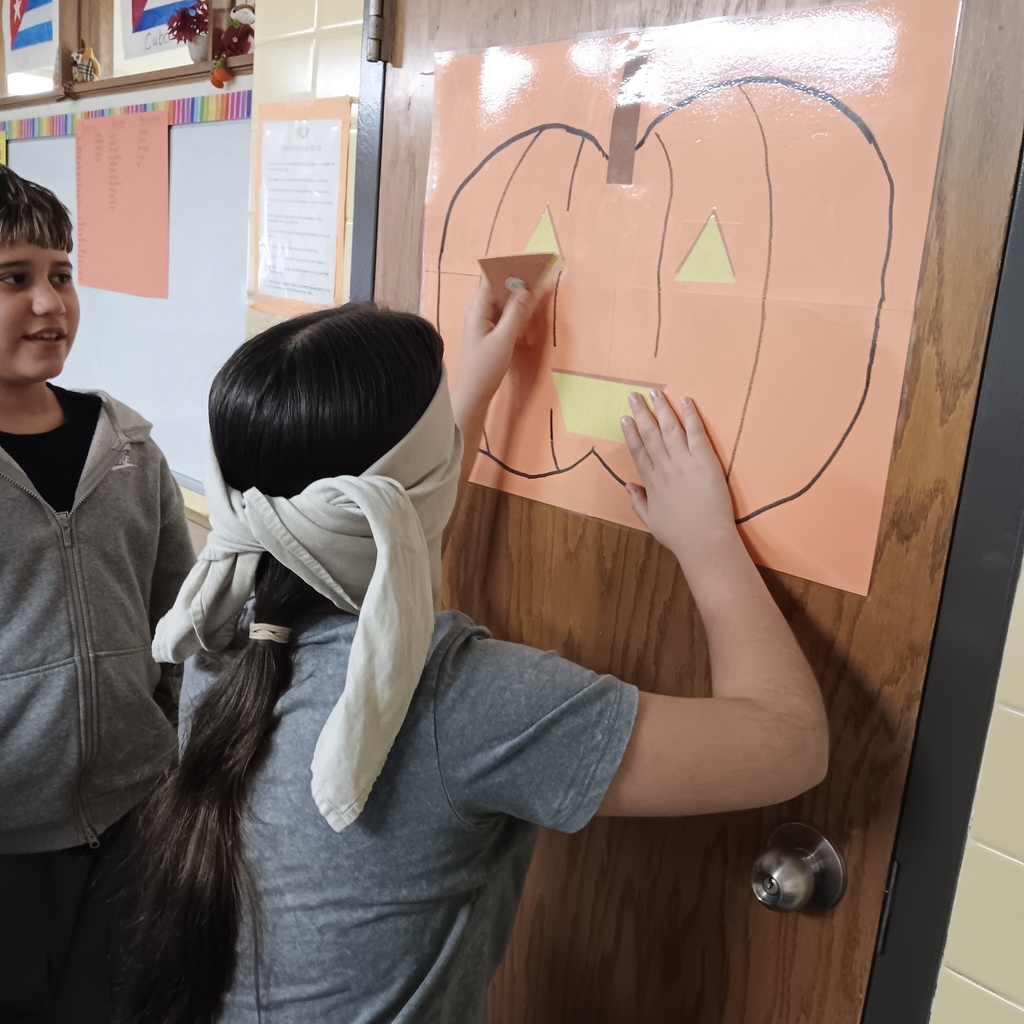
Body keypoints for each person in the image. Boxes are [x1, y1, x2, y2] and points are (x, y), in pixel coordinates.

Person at [125, 283, 828, 1024]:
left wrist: (476, 384)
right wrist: (709, 540)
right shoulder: (455, 702)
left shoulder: (222, 644)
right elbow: (790, 743)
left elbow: (377, 541)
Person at [0, 164, 196, 1023]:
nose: (50, 304)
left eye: (60, 272)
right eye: (13, 279)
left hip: (137, 819)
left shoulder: (130, 450)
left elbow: (181, 624)